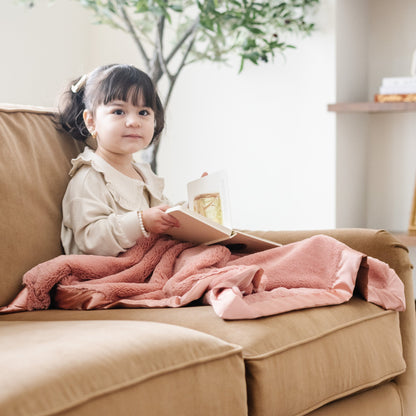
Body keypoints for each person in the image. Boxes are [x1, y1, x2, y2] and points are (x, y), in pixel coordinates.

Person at [58, 64, 180, 256]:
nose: (134, 121)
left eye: (143, 112)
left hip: (150, 261)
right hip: (109, 271)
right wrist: (142, 221)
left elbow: (166, 219)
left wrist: (189, 212)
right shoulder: (90, 176)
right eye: (118, 112)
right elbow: (90, 239)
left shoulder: (144, 174)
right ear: (91, 121)